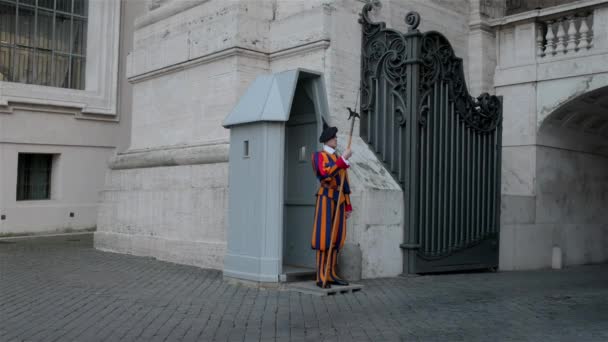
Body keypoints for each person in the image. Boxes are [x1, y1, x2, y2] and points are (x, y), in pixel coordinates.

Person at [311, 122, 353, 288]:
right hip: (326, 198)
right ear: (327, 139)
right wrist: (343, 160)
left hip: (339, 200)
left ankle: (331, 274)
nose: (336, 139)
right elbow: (325, 174)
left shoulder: (337, 157)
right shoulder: (318, 156)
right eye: (334, 137)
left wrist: (348, 205)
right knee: (324, 237)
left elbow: (345, 183)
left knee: (336, 238)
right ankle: (321, 275)